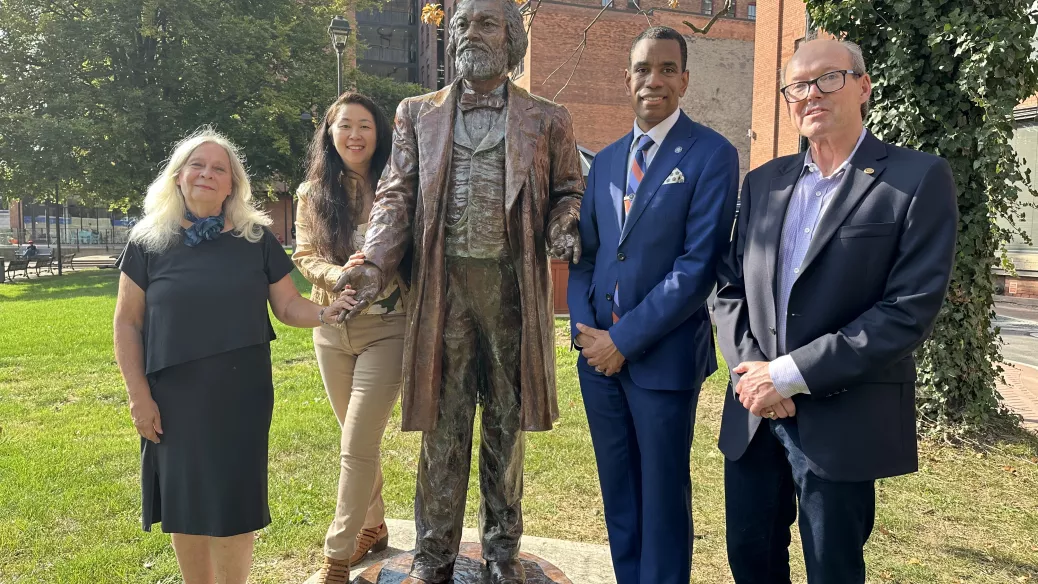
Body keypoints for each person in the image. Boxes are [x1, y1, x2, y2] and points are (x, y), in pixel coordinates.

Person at [333, 0, 583, 580]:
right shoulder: (416, 113)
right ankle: (433, 553)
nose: (472, 32)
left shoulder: (549, 118)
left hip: (512, 293)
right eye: (463, 23)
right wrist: (372, 264)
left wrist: (564, 221)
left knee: (504, 424)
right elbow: (396, 196)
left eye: (487, 22)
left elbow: (570, 188)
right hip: (443, 295)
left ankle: (501, 551)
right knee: (442, 427)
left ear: (511, 36)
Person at [713, 37, 957, 584]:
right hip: (756, 416)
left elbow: (906, 310)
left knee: (833, 568)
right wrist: (757, 377)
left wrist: (787, 376)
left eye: (828, 79)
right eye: (797, 86)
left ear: (863, 86)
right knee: (749, 559)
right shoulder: (763, 183)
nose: (811, 94)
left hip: (841, 418)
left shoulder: (915, 180)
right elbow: (730, 288)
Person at [112, 128, 356, 584]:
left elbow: (286, 305)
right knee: (183, 506)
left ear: (232, 185)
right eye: (197, 165)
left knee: (234, 502)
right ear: (178, 176)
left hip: (241, 392)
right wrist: (137, 396)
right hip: (172, 397)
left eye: (218, 168)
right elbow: (127, 322)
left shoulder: (255, 238)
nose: (207, 173)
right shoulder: (147, 241)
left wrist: (326, 312)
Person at [566, 26, 739, 584]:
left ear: (684, 79)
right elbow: (585, 257)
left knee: (662, 499)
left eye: (667, 69)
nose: (654, 80)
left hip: (661, 362)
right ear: (628, 79)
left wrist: (624, 340)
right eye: (643, 69)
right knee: (618, 493)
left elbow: (696, 269)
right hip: (598, 363)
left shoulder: (712, 155)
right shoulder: (608, 160)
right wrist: (586, 332)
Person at [292, 92, 404, 584]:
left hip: (388, 327)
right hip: (332, 331)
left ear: (379, 134)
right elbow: (304, 255)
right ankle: (373, 526)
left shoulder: (397, 186)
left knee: (357, 443)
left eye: (365, 126)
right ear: (330, 133)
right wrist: (338, 275)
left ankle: (336, 559)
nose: (354, 135)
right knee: (354, 441)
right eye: (344, 126)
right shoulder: (311, 193)